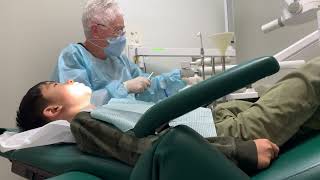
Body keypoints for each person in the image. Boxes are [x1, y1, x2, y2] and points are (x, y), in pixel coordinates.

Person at [16, 80, 279, 172]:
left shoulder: (97, 113)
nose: (69, 80)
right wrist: (239, 151)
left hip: (216, 119)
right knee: (312, 75)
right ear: (52, 110)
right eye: (56, 84)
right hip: (225, 133)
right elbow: (152, 149)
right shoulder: (85, 124)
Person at [51, 0, 197, 106]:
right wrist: (124, 88)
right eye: (117, 30)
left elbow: (147, 86)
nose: (122, 36)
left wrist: (179, 78)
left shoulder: (119, 59)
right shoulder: (72, 58)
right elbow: (79, 105)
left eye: (123, 29)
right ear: (95, 30)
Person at [214, 56, 320, 147]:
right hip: (212, 134)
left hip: (210, 123)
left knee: (226, 107)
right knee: (316, 70)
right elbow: (241, 134)